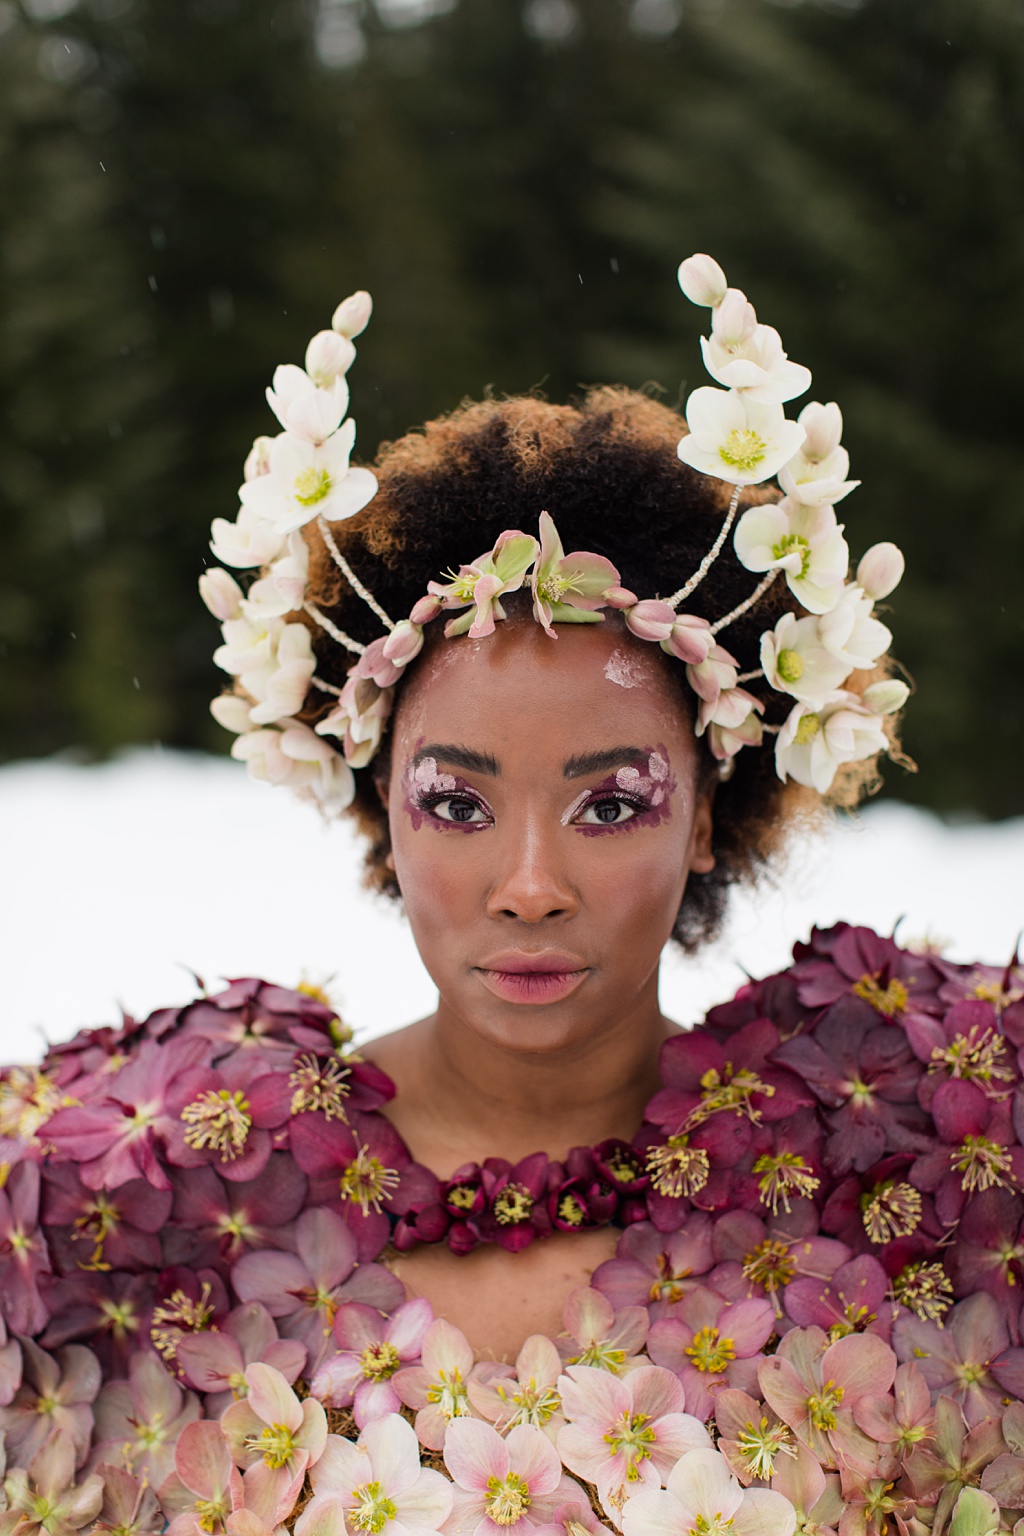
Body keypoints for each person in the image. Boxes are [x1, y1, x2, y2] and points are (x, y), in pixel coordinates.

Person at [201, 258, 907, 1358]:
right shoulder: (198, 1202)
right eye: (457, 803)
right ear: (382, 803)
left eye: (612, 804)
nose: (530, 888)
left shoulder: (867, 1207)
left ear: (711, 816)